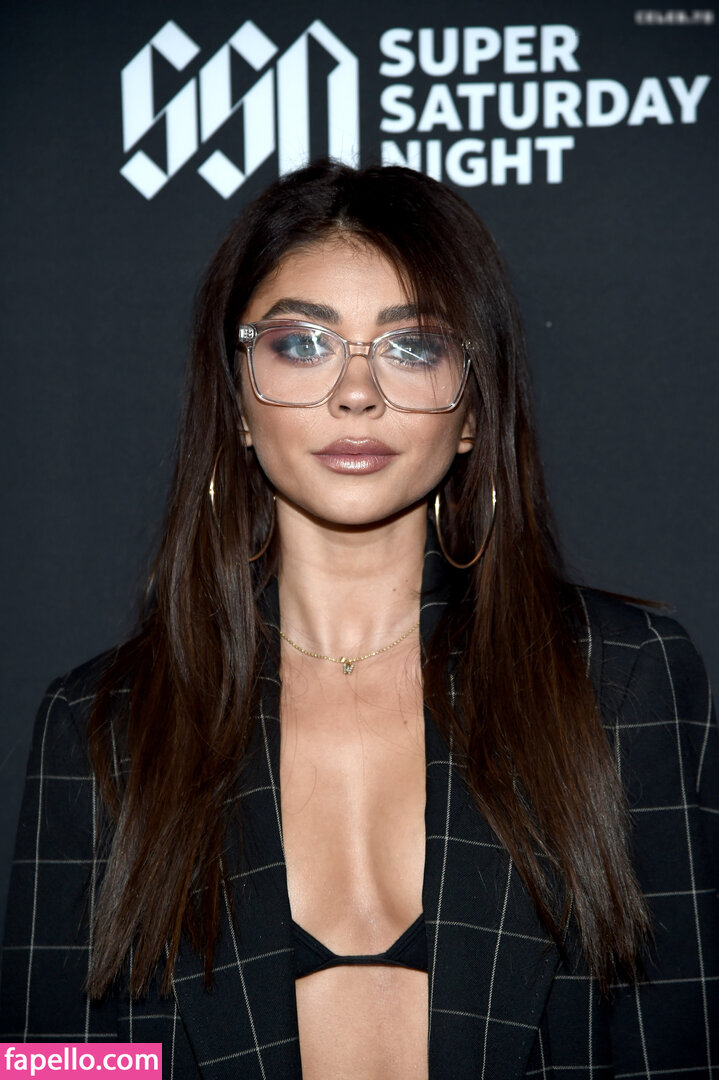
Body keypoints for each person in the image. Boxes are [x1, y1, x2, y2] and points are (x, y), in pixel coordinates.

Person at [1, 161, 717, 1079]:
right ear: (237, 400)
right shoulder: (105, 724)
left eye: (412, 346)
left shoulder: (620, 681)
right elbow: (60, 1062)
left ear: (471, 409)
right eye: (302, 343)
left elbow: (678, 1048)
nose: (355, 392)